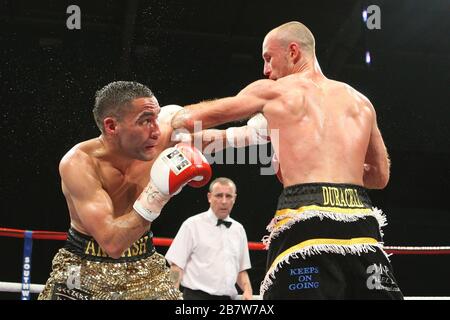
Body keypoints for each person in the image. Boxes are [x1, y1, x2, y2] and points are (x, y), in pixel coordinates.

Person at [171, 22, 403, 299]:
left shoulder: (274, 92)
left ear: (293, 51)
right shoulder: (361, 102)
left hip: (305, 217)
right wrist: (337, 175)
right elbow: (380, 177)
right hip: (361, 223)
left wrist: (168, 119)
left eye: (268, 58)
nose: (265, 70)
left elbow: (191, 120)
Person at [38, 81, 215, 300]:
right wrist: (158, 193)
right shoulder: (79, 162)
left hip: (144, 266)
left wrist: (257, 126)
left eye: (155, 119)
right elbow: (113, 243)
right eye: (145, 121)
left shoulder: (158, 139)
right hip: (83, 267)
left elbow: (226, 122)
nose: (156, 131)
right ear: (112, 126)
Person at [165, 177, 253, 300]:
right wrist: (172, 294)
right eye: (218, 196)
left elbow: (241, 270)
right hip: (196, 297)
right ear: (209, 197)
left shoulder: (238, 229)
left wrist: (248, 290)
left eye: (228, 196)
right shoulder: (192, 225)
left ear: (234, 199)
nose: (223, 201)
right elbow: (176, 266)